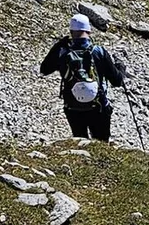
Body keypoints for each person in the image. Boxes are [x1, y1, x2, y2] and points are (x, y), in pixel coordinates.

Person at [40, 12, 127, 140]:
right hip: (99, 107)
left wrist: (59, 45)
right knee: (101, 143)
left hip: (72, 107)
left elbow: (44, 70)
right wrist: (121, 68)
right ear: (89, 31)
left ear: (71, 31)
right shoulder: (99, 51)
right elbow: (117, 81)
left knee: (80, 142)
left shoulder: (63, 52)